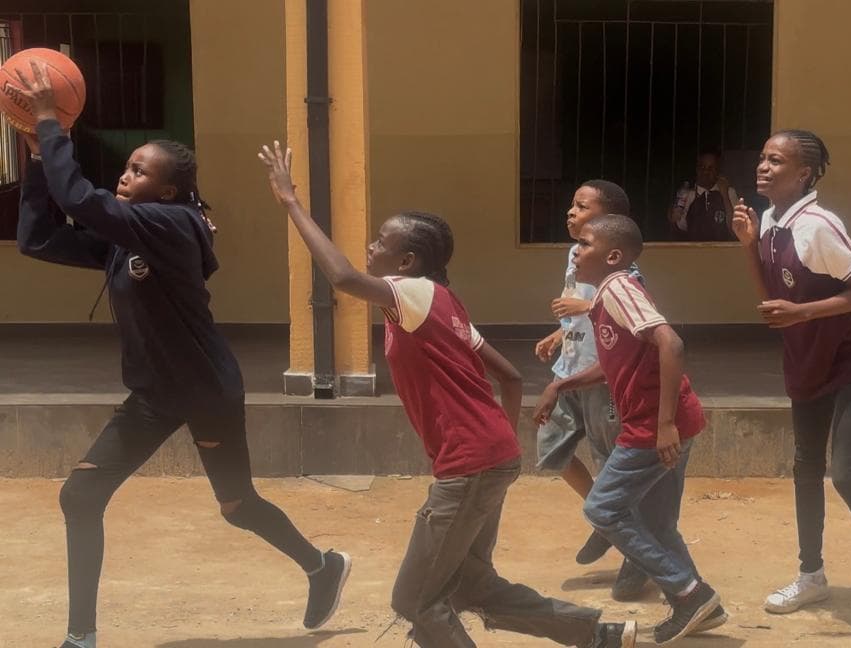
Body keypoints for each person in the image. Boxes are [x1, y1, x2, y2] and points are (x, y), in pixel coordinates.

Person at [13, 60, 349, 648]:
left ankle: (323, 566)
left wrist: (50, 123)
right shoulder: (131, 234)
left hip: (205, 389)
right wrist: (41, 159)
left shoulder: (171, 225)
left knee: (237, 505)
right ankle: (80, 637)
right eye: (127, 165)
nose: (125, 175)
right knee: (80, 495)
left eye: (139, 171)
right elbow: (38, 237)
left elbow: (80, 198)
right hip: (153, 394)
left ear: (167, 190)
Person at [258, 142, 636, 648]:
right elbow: (510, 378)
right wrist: (499, 441)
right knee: (471, 584)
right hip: (491, 458)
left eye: (380, 242)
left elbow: (343, 277)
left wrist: (290, 203)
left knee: (414, 602)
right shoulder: (444, 302)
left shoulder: (412, 293)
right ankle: (595, 634)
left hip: (470, 466)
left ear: (407, 261)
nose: (372, 248)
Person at [731, 129, 851, 630]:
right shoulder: (768, 220)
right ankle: (812, 575)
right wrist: (747, 245)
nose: (763, 167)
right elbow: (768, 293)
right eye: (762, 157)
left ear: (804, 173)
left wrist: (802, 312)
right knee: (805, 471)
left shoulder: (819, 225)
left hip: (848, 360)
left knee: (846, 473)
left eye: (777, 161)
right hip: (805, 358)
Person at [535, 214, 726, 644]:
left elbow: (671, 343)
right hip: (672, 421)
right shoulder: (606, 295)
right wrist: (560, 383)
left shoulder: (619, 287)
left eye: (584, 244)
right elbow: (614, 363)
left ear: (613, 256)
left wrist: (662, 427)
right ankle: (698, 604)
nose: (576, 251)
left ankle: (689, 593)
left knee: (601, 509)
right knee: (659, 525)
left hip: (652, 427)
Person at [534, 179, 649, 600]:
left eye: (581, 207)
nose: (571, 212)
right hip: (568, 370)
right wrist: (560, 333)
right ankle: (604, 520)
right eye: (572, 204)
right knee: (552, 451)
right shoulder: (574, 255)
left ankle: (635, 552)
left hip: (602, 378)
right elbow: (577, 313)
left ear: (610, 224)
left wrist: (587, 306)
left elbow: (635, 315)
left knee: (609, 465)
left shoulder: (626, 271)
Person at [668, 149, 739, 242]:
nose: (706, 172)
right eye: (702, 167)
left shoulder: (729, 193)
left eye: (710, 168)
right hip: (695, 252)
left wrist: (725, 196)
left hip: (722, 252)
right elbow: (681, 228)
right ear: (697, 169)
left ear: (717, 171)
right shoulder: (688, 195)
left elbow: (735, 231)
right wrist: (673, 218)